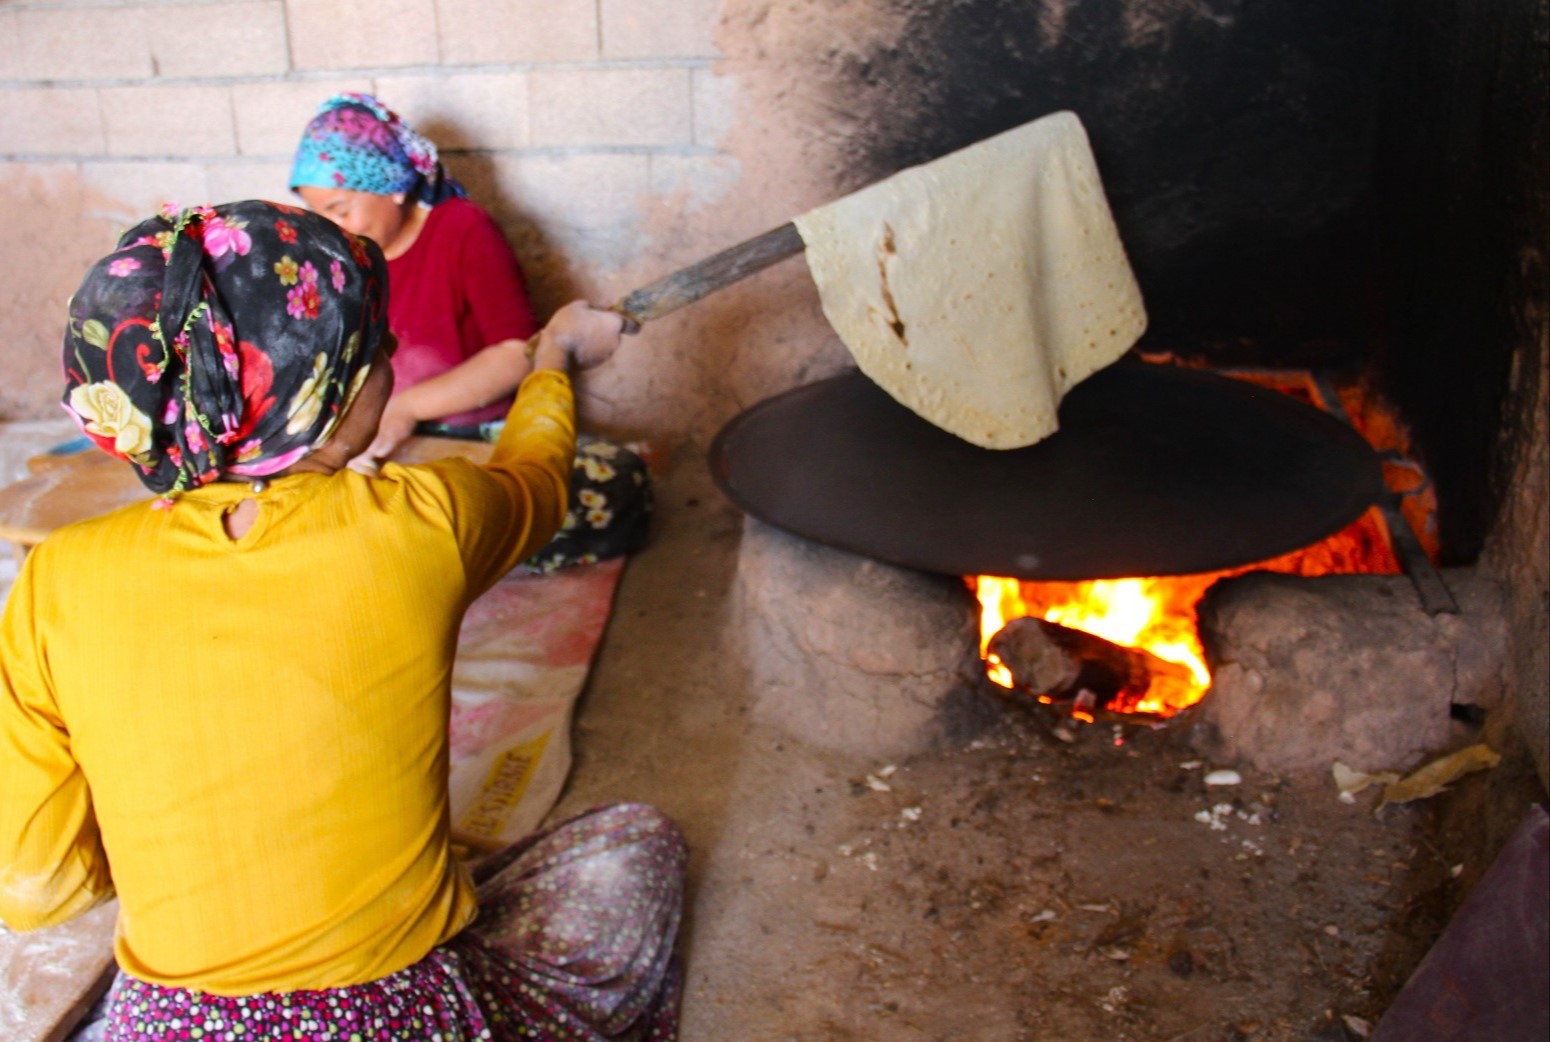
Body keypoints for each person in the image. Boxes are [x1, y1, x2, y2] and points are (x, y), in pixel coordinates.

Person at [0, 200, 686, 1041]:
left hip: (163, 1024)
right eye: (374, 348)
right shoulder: (419, 522)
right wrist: (552, 361)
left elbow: (38, 887)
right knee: (641, 846)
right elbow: (540, 480)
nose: (392, 358)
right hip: (392, 1015)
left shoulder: (56, 578)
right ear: (333, 391)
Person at [289, 93, 649, 572]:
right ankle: (431, 552)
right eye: (320, 215)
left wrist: (407, 408)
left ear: (393, 186)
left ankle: (416, 554)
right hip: (383, 443)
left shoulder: (463, 229)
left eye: (340, 208)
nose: (333, 227)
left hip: (478, 436)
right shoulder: (340, 259)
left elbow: (518, 352)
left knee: (615, 485)